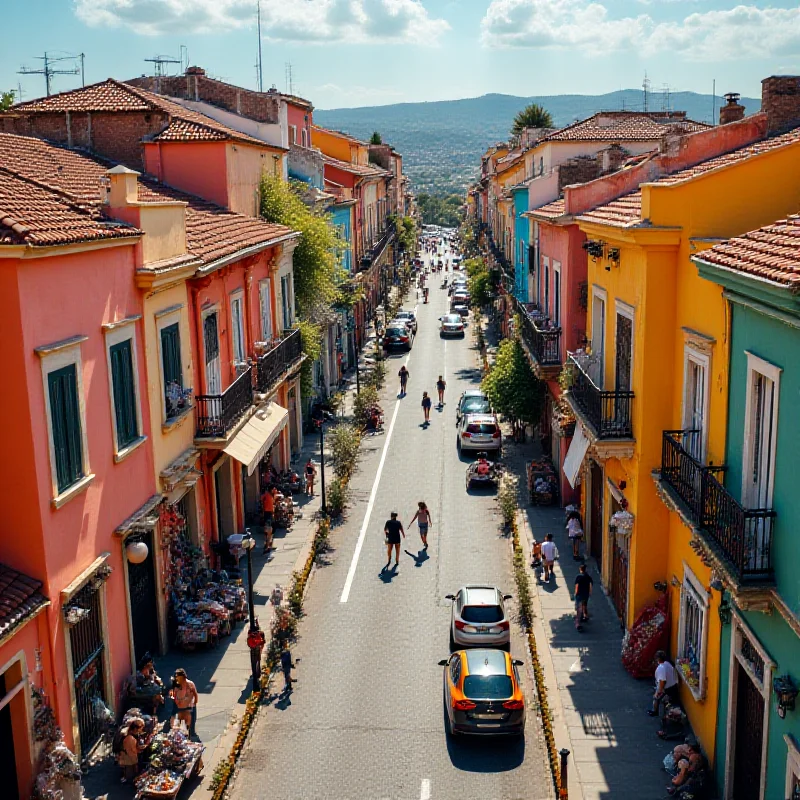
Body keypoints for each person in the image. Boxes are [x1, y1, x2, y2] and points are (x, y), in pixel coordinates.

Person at [649, 650, 680, 716]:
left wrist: (657, 693)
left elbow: (662, 682)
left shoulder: (661, 668)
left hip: (668, 690)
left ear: (658, 659)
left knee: (655, 698)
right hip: (674, 688)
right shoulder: (667, 664)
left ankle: (655, 711)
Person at [170, 668, 199, 736]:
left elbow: (195, 694)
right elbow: (174, 694)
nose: (176, 678)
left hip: (189, 706)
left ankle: (191, 733)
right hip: (179, 706)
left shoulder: (190, 684)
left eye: (178, 677)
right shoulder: (176, 684)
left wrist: (194, 703)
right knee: (178, 722)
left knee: (191, 721)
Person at [117, 717, 146, 783]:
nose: (140, 731)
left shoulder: (127, 731)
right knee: (129, 774)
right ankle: (126, 779)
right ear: (135, 729)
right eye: (139, 730)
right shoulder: (130, 738)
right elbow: (132, 752)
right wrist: (139, 750)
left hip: (124, 755)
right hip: (127, 758)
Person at [573, 564, 593, 630]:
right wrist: (590, 593)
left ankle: (578, 624)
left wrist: (575, 593)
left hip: (579, 594)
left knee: (579, 608)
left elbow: (577, 586)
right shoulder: (588, 577)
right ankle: (585, 616)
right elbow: (590, 586)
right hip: (586, 594)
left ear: (580, 569)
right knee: (585, 605)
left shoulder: (578, 577)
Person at [261, 486, 275, 555]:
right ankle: (267, 546)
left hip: (269, 514)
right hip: (267, 514)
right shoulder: (267, 495)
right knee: (269, 531)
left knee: (269, 531)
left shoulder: (269, 495)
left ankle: (268, 545)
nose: (274, 490)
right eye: (273, 489)